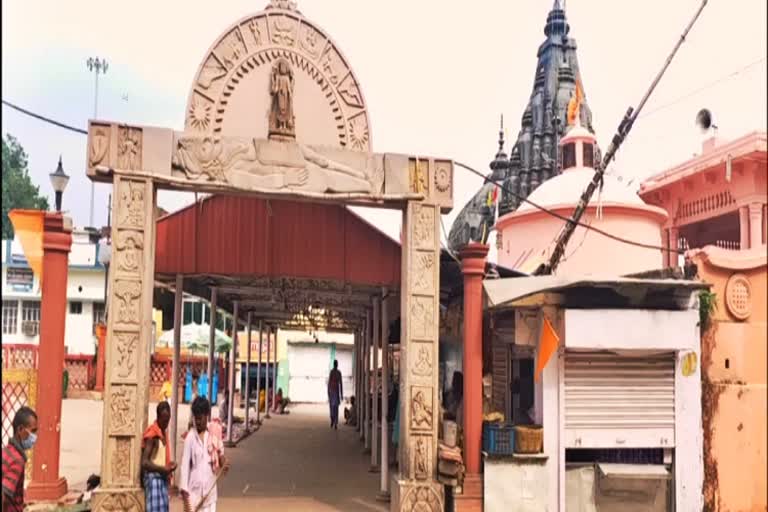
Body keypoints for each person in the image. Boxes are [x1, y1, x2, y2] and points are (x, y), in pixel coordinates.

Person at [180, 397, 230, 512]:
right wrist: (186, 500)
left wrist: (224, 463)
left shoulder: (213, 435)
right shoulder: (190, 438)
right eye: (195, 419)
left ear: (207, 416)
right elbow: (184, 468)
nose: (197, 422)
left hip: (210, 495)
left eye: (200, 419)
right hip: (194, 496)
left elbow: (220, 457)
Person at [141, 401, 177, 512]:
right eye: (164, 420)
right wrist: (162, 469)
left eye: (168, 420)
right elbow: (145, 462)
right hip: (153, 480)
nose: (166, 423)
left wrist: (169, 466)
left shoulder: (163, 433)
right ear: (158, 417)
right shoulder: (152, 436)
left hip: (161, 479)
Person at [2, 406, 38, 512]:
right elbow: (3, 496)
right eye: (33, 431)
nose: (35, 436)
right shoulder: (18, 461)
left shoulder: (6, 451)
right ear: (20, 429)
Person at [327, 359, 343, 429]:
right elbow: (329, 382)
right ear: (335, 364)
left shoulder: (338, 373)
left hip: (335, 392)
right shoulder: (333, 372)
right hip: (333, 392)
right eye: (336, 364)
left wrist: (341, 394)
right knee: (333, 408)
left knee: (334, 408)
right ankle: (333, 420)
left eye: (336, 364)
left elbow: (340, 383)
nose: (336, 365)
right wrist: (328, 392)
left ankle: (335, 422)